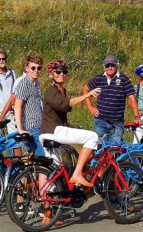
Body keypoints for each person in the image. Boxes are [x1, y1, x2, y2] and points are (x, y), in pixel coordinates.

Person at [40, 60, 101, 188]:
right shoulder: (50, 91)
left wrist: (72, 127)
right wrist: (87, 95)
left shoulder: (62, 90)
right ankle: (77, 174)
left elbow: (61, 114)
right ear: (51, 74)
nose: (61, 74)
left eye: (64, 72)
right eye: (58, 72)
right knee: (93, 137)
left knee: (53, 169)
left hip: (52, 131)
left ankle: (48, 200)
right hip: (53, 131)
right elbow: (65, 104)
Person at [84, 55, 142, 146]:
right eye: (107, 66)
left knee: (115, 149)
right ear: (104, 67)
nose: (110, 68)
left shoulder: (123, 79)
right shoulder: (99, 78)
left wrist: (137, 116)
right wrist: (90, 106)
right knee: (99, 148)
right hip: (101, 120)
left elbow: (131, 98)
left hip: (117, 123)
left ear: (116, 65)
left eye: (112, 65)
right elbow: (85, 88)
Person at [13, 54, 45, 156]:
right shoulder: (24, 83)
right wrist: (20, 129)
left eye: (39, 68)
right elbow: (18, 106)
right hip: (30, 127)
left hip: (39, 126)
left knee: (34, 157)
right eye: (33, 68)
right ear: (27, 68)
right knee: (41, 157)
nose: (36, 70)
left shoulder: (36, 84)